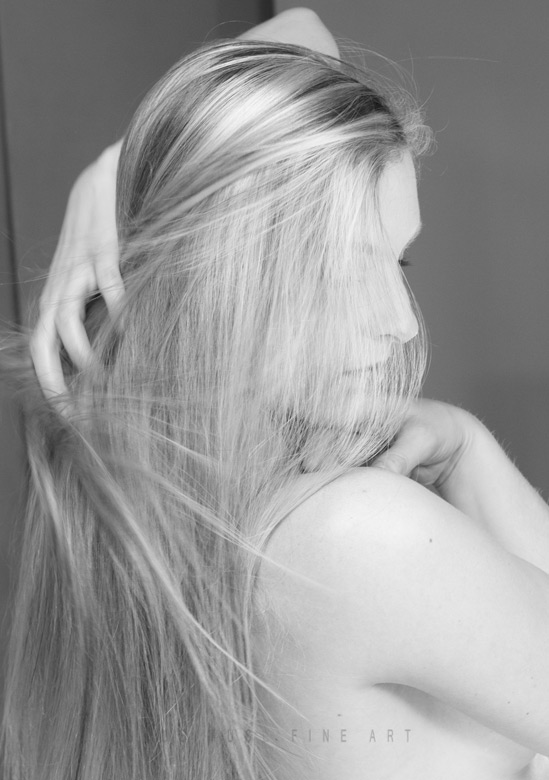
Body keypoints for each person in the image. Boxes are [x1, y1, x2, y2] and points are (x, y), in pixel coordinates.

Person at [4, 8, 549, 780]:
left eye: (399, 262)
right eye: (343, 267)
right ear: (220, 274)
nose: (400, 322)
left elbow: (303, 28)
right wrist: (475, 453)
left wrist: (121, 168)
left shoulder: (148, 522)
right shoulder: (358, 535)